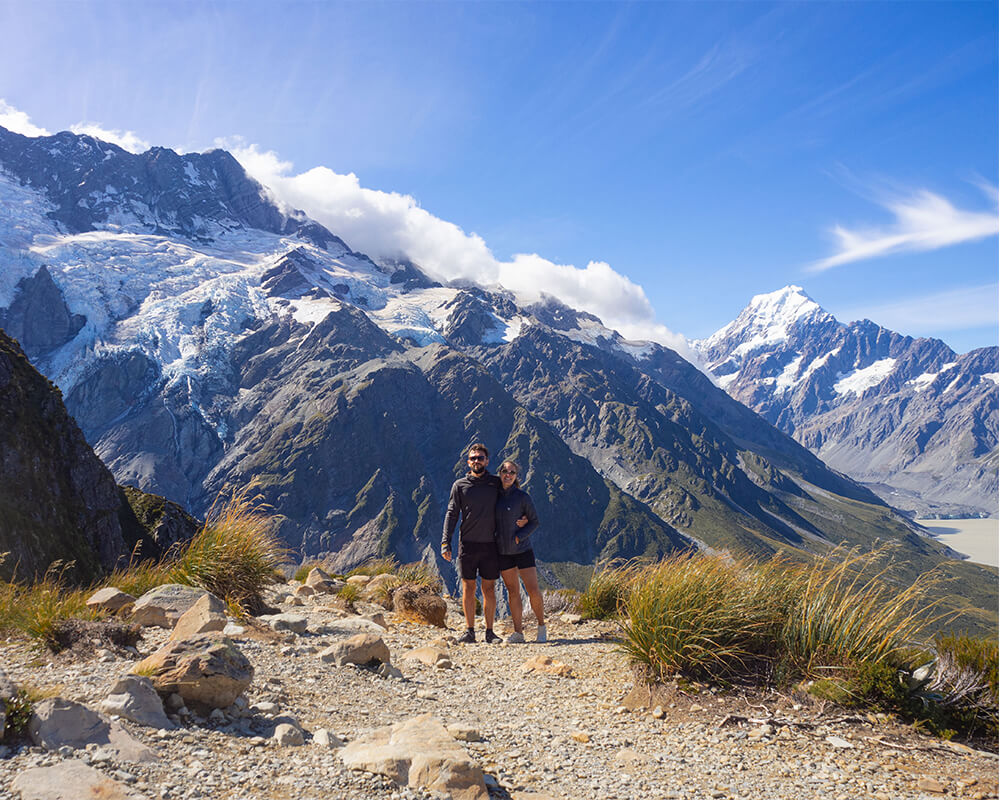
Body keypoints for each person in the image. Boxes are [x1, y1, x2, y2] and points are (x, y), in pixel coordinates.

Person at [441, 442, 503, 644]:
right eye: (473, 458)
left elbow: (512, 503)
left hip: (490, 545)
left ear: (487, 460)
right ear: (468, 461)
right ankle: (469, 631)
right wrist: (445, 542)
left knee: (488, 589)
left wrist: (524, 519)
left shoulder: (496, 483)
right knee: (468, 588)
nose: (477, 461)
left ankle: (490, 632)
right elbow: (452, 514)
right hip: (467, 544)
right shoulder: (459, 485)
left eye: (480, 458)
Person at [495, 459, 546, 643]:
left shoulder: (523, 497)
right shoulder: (494, 496)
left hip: (522, 550)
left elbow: (534, 521)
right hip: (503, 551)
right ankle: (518, 633)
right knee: (513, 592)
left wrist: (520, 536)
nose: (508, 474)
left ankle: (541, 625)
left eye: (512, 472)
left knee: (533, 590)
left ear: (517, 476)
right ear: (499, 473)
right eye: (504, 471)